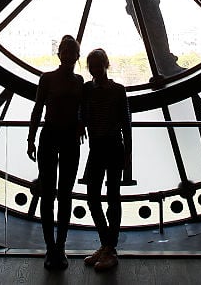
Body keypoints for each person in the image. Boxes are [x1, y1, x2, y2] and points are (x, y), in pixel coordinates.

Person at [27, 34, 85, 270]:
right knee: (65, 195)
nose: (69, 56)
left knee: (48, 194)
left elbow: (38, 109)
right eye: (68, 52)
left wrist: (31, 138)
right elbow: (82, 108)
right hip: (71, 138)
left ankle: (51, 247)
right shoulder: (79, 81)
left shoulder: (47, 79)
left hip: (49, 136)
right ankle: (59, 246)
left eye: (70, 52)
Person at [80, 47, 132, 272]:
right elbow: (125, 123)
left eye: (95, 66)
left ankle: (106, 244)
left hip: (98, 148)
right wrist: (128, 154)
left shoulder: (86, 90)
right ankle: (110, 246)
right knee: (113, 198)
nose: (95, 70)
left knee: (93, 196)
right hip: (114, 147)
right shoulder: (118, 90)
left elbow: (82, 114)